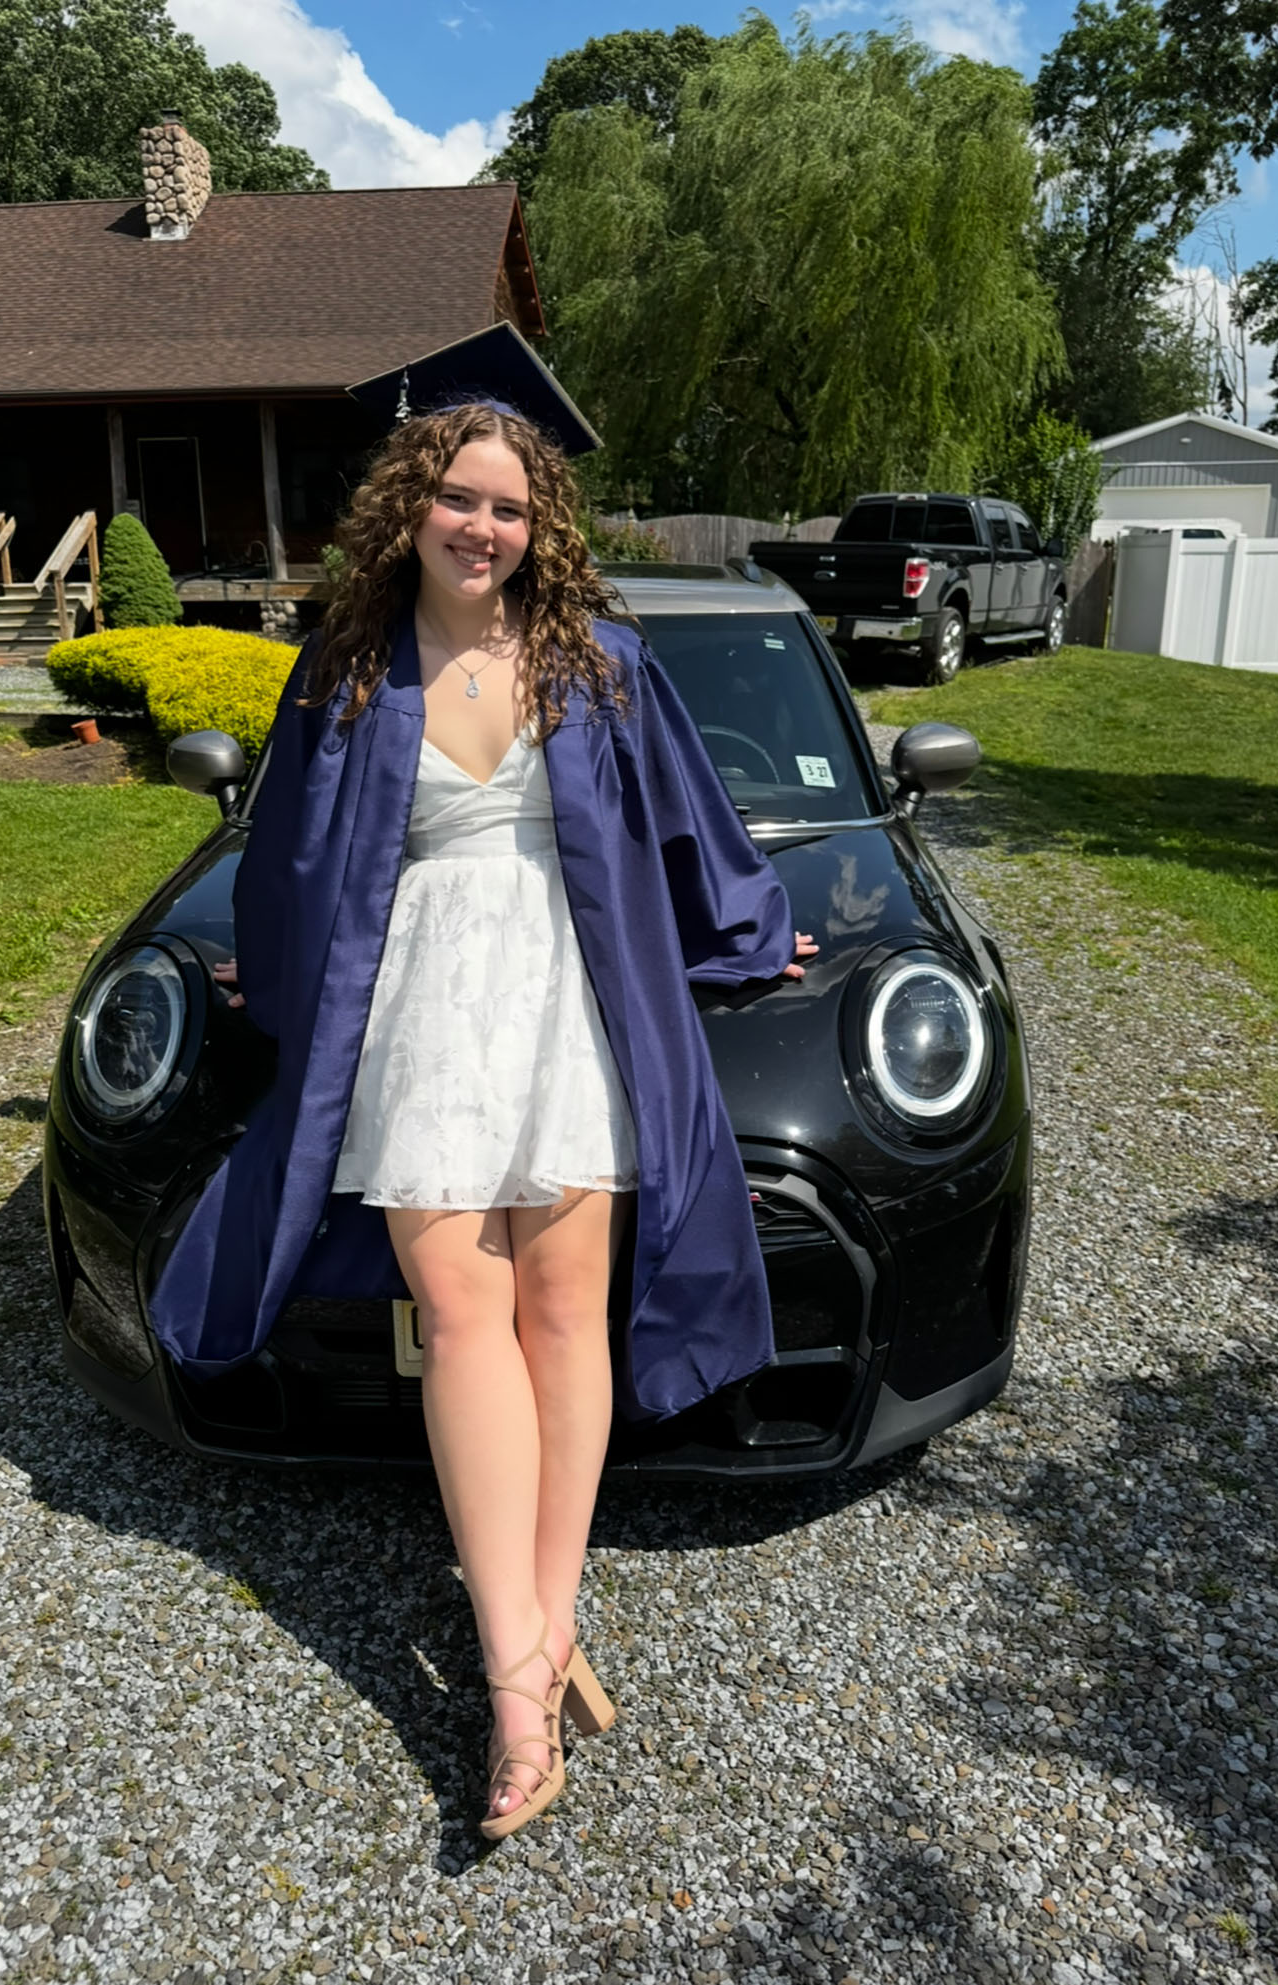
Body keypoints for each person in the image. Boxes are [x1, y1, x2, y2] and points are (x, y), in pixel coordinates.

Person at [158, 390, 817, 1841]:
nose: (485, 525)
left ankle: (537, 1621)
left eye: (512, 507)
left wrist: (756, 928)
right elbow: (287, 850)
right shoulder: (343, 669)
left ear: (542, 528)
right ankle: (524, 1688)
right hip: (419, 1012)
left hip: (568, 1001)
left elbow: (690, 825)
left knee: (565, 1317)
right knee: (461, 1314)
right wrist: (262, 975)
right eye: (462, 496)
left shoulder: (601, 662)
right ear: (412, 502)